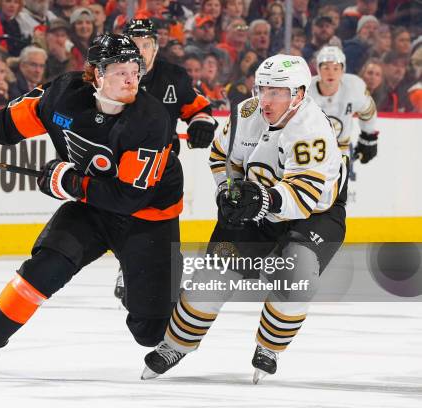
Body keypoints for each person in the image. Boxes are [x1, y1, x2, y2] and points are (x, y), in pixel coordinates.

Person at [0, 33, 185, 377]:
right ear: (97, 73)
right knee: (43, 268)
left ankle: (162, 289)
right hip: (92, 209)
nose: (131, 78)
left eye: (136, 69)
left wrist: (68, 182)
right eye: (120, 70)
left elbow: (130, 196)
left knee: (149, 333)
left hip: (147, 217)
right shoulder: (63, 95)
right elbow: (6, 123)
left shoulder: (150, 119)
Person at [141, 54, 348, 384]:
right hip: (256, 205)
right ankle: (175, 344)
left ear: (299, 94)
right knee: (211, 280)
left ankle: (270, 347)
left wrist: (261, 199)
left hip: (314, 216)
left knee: (298, 272)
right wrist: (228, 190)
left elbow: (304, 197)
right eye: (262, 88)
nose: (265, 99)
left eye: (277, 92)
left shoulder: (311, 131)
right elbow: (221, 155)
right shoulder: (245, 113)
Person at [111, 19, 218, 300]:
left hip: (162, 165)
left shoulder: (174, 77)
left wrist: (201, 122)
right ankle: (128, 267)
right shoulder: (111, 74)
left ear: (156, 48)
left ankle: (171, 275)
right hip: (120, 164)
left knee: (167, 223)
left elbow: (198, 108)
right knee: (124, 217)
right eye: (134, 45)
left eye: (146, 45)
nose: (140, 50)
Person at [308, 46, 378, 164]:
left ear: (342, 70)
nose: (331, 73)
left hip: (341, 152)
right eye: (326, 68)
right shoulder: (305, 91)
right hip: (309, 151)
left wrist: (368, 136)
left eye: (336, 68)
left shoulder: (354, 87)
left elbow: (368, 111)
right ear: (318, 69)